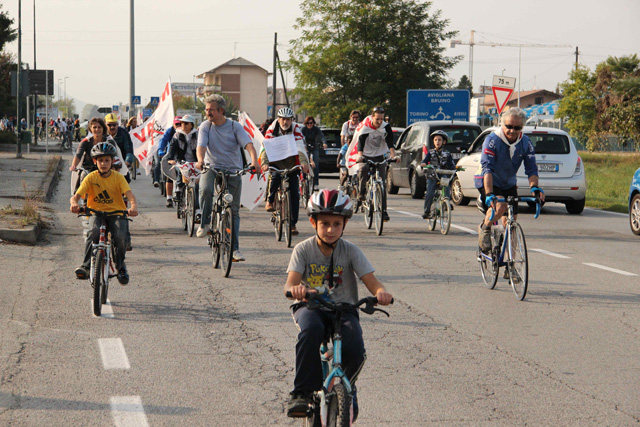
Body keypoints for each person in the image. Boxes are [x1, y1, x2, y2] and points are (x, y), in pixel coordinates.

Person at [284, 189, 393, 418]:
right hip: (311, 306)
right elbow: (290, 283)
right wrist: (296, 290)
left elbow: (371, 281)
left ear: (345, 224)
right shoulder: (303, 249)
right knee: (310, 331)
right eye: (324, 223)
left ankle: (348, 386)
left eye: (336, 224)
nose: (330, 230)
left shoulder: (351, 250)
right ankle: (302, 392)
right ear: (313, 223)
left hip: (344, 309)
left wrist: (381, 292)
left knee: (355, 347)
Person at [195, 94, 259, 262]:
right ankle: (205, 223)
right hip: (211, 167)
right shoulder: (205, 126)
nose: (208, 113)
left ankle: (234, 249)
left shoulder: (234, 126)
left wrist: (254, 161)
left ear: (221, 110)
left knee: (233, 210)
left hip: (232, 170)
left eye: (211, 110)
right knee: (205, 190)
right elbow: (201, 146)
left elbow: (248, 145)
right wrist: (200, 160)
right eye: (206, 110)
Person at [70, 142, 138, 284]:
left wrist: (133, 206)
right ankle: (86, 266)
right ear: (95, 161)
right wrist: (74, 203)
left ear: (112, 161)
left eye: (107, 160)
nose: (103, 163)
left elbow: (130, 195)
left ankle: (120, 267)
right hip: (96, 213)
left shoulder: (118, 177)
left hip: (116, 213)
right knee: (93, 233)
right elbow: (76, 196)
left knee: (120, 237)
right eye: (100, 160)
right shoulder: (91, 177)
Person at [478, 108, 545, 251]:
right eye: (509, 126)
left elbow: (531, 168)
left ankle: (511, 261)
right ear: (502, 124)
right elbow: (487, 169)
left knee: (511, 223)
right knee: (500, 206)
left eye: (517, 127)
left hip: (508, 182)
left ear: (522, 127)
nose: (512, 131)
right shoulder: (492, 140)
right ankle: (485, 227)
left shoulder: (526, 142)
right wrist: (489, 193)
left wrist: (535, 187)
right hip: (489, 180)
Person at [260, 107, 310, 236]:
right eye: (283, 119)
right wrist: (265, 163)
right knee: (275, 178)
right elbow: (265, 148)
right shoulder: (272, 129)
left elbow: (300, 147)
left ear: (291, 120)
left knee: (294, 194)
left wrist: (304, 162)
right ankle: (270, 200)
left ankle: (292, 224)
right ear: (278, 119)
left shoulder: (295, 129)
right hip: (276, 162)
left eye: (288, 119)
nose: (285, 122)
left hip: (291, 164)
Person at [355, 106, 398, 222]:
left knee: (382, 184)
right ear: (372, 117)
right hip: (366, 155)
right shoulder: (366, 126)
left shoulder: (385, 127)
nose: (379, 122)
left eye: (381, 119)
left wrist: (393, 155)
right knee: (363, 169)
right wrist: (360, 156)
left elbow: (390, 142)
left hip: (379, 155)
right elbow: (361, 141)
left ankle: (383, 211)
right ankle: (361, 192)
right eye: (377, 119)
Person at [421, 130, 456, 219]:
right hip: (432, 175)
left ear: (444, 142)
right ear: (433, 142)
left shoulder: (447, 154)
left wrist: (455, 169)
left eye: (439, 140)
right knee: (430, 193)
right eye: (436, 140)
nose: (437, 142)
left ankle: (446, 202)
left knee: (446, 187)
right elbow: (425, 161)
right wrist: (423, 164)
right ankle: (427, 211)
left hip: (443, 174)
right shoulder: (431, 152)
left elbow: (451, 165)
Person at [167, 115, 199, 209]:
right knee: (179, 170)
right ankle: (179, 189)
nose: (183, 125)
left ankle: (197, 209)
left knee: (197, 186)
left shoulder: (197, 134)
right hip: (181, 161)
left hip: (196, 162)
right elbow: (172, 147)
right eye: (181, 123)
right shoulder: (177, 134)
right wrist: (170, 158)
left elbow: (203, 147)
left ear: (191, 125)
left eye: (186, 123)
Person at [153, 116, 180, 189]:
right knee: (162, 166)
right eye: (176, 124)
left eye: (180, 124)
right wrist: (160, 150)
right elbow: (163, 140)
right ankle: (168, 193)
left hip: (181, 155)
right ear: (173, 124)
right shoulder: (170, 131)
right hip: (171, 154)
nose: (178, 126)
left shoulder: (185, 131)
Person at [301, 116, 324, 189]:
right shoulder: (303, 129)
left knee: (316, 164)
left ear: (313, 123)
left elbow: (321, 136)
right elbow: (300, 137)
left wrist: (324, 143)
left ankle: (316, 183)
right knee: (304, 163)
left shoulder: (316, 129)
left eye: (311, 123)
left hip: (314, 147)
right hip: (305, 147)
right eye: (308, 123)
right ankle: (304, 180)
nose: (309, 124)